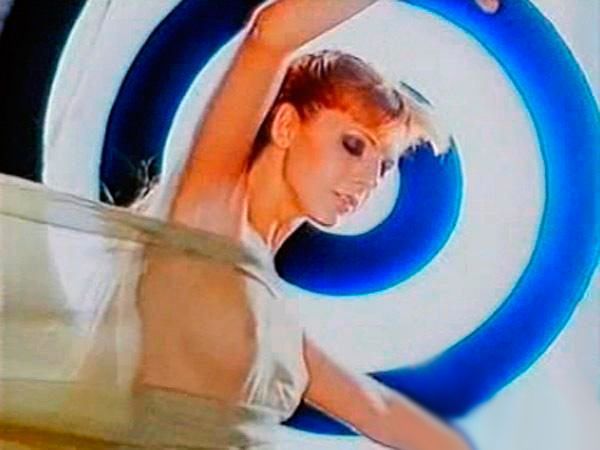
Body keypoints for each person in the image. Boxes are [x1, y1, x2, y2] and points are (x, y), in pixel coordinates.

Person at [0, 0, 500, 448]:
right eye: (353, 145)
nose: (369, 179)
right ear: (285, 125)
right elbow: (271, 33)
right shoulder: (207, 219)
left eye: (384, 166)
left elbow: (380, 412)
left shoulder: (279, 330)